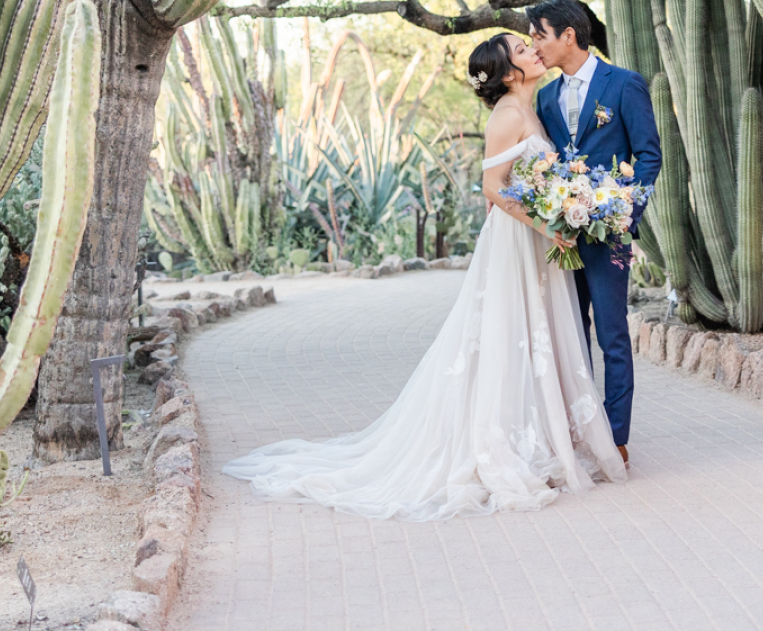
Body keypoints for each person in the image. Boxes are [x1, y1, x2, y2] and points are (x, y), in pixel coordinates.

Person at [219, 32, 627, 519]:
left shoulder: (533, 106)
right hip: (517, 241)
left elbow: (535, 179)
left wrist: (563, 211)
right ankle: (498, 442)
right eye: (521, 50)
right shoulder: (508, 115)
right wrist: (547, 224)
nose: (533, 50)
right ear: (507, 74)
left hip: (539, 242)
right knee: (508, 334)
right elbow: (493, 189)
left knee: (535, 335)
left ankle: (543, 433)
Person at [528, 0, 661, 465]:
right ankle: (581, 434)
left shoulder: (623, 84)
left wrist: (626, 212)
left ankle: (617, 440)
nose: (533, 45)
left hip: (612, 234)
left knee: (612, 336)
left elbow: (648, 155)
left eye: (539, 34)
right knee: (570, 335)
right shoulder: (544, 97)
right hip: (563, 235)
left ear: (568, 35)